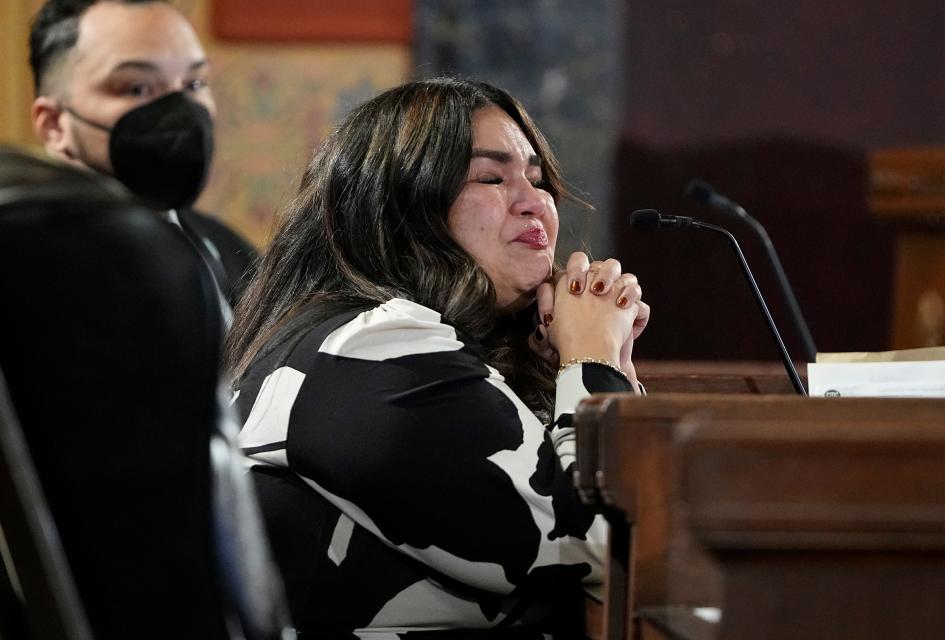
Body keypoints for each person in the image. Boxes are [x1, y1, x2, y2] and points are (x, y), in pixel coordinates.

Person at [226, 77, 650, 638]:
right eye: (492, 177)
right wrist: (591, 362)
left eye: (538, 178)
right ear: (403, 207)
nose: (535, 202)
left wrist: (601, 362)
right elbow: (602, 545)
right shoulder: (370, 351)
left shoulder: (397, 343)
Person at [28, 0, 256, 314]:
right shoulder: (20, 271)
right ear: (54, 123)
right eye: (137, 88)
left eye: (194, 83)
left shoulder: (232, 253)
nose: (180, 110)